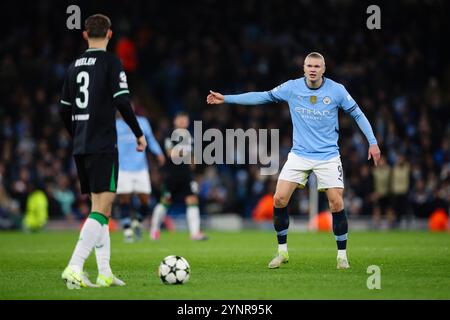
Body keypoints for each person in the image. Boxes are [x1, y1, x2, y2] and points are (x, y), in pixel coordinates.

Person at [207, 52, 381, 269]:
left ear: (323, 69)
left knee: (336, 202)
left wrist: (372, 142)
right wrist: (227, 98)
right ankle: (282, 252)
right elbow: (262, 96)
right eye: (309, 65)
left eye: (317, 66)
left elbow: (358, 114)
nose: (313, 69)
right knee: (279, 199)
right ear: (303, 67)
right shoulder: (292, 87)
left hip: (327, 156)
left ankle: (342, 256)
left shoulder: (336, 90)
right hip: (299, 154)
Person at [59, 14, 147, 289]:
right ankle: (74, 266)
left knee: (102, 209)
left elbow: (64, 109)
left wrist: (77, 133)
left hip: (82, 144)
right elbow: (122, 100)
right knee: (102, 207)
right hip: (102, 144)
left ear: (85, 34)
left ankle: (104, 272)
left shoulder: (73, 66)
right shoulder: (111, 61)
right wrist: (138, 132)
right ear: (110, 34)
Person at [150, 112, 208, 241]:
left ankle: (195, 233)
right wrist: (186, 153)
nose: (182, 122)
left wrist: (192, 165)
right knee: (165, 202)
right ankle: (154, 230)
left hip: (187, 175)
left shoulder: (190, 137)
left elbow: (193, 158)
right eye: (180, 119)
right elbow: (171, 154)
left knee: (192, 200)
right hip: (172, 175)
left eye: (185, 119)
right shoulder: (169, 135)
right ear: (175, 121)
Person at [116, 111, 165, 243]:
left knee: (145, 200)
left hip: (140, 168)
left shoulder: (142, 122)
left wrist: (159, 153)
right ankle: (127, 231)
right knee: (124, 199)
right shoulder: (115, 124)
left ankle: (137, 222)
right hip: (123, 168)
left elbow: (150, 139)